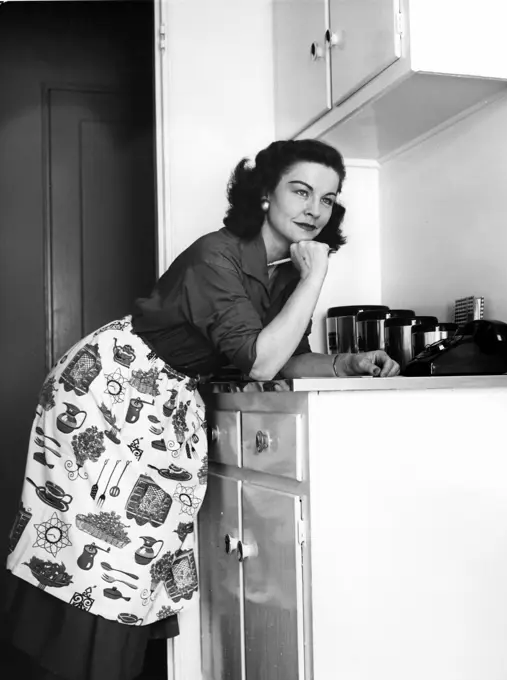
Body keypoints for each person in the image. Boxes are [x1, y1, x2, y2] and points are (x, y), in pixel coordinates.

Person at [5, 138, 399, 680]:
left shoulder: (283, 271)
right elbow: (260, 363)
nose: (315, 209)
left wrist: (346, 364)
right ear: (265, 194)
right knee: (99, 543)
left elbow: (287, 359)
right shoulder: (217, 254)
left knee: (141, 547)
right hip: (111, 386)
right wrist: (316, 277)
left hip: (164, 394)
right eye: (301, 191)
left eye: (328, 200)